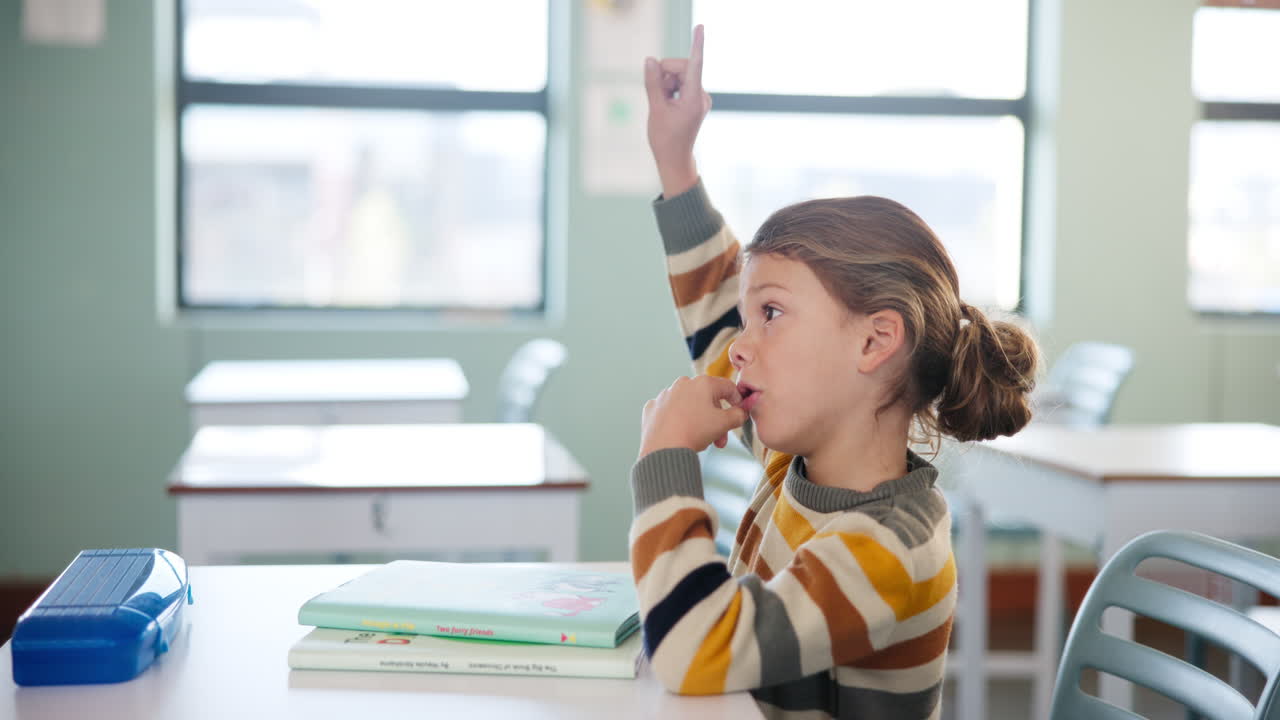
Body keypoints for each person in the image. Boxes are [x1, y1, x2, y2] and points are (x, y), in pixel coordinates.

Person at [628, 25, 1040, 720]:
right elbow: (713, 309)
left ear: (875, 342)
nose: (738, 347)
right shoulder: (795, 458)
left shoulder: (890, 548)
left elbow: (697, 652)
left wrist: (667, 459)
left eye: (772, 315)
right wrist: (676, 159)